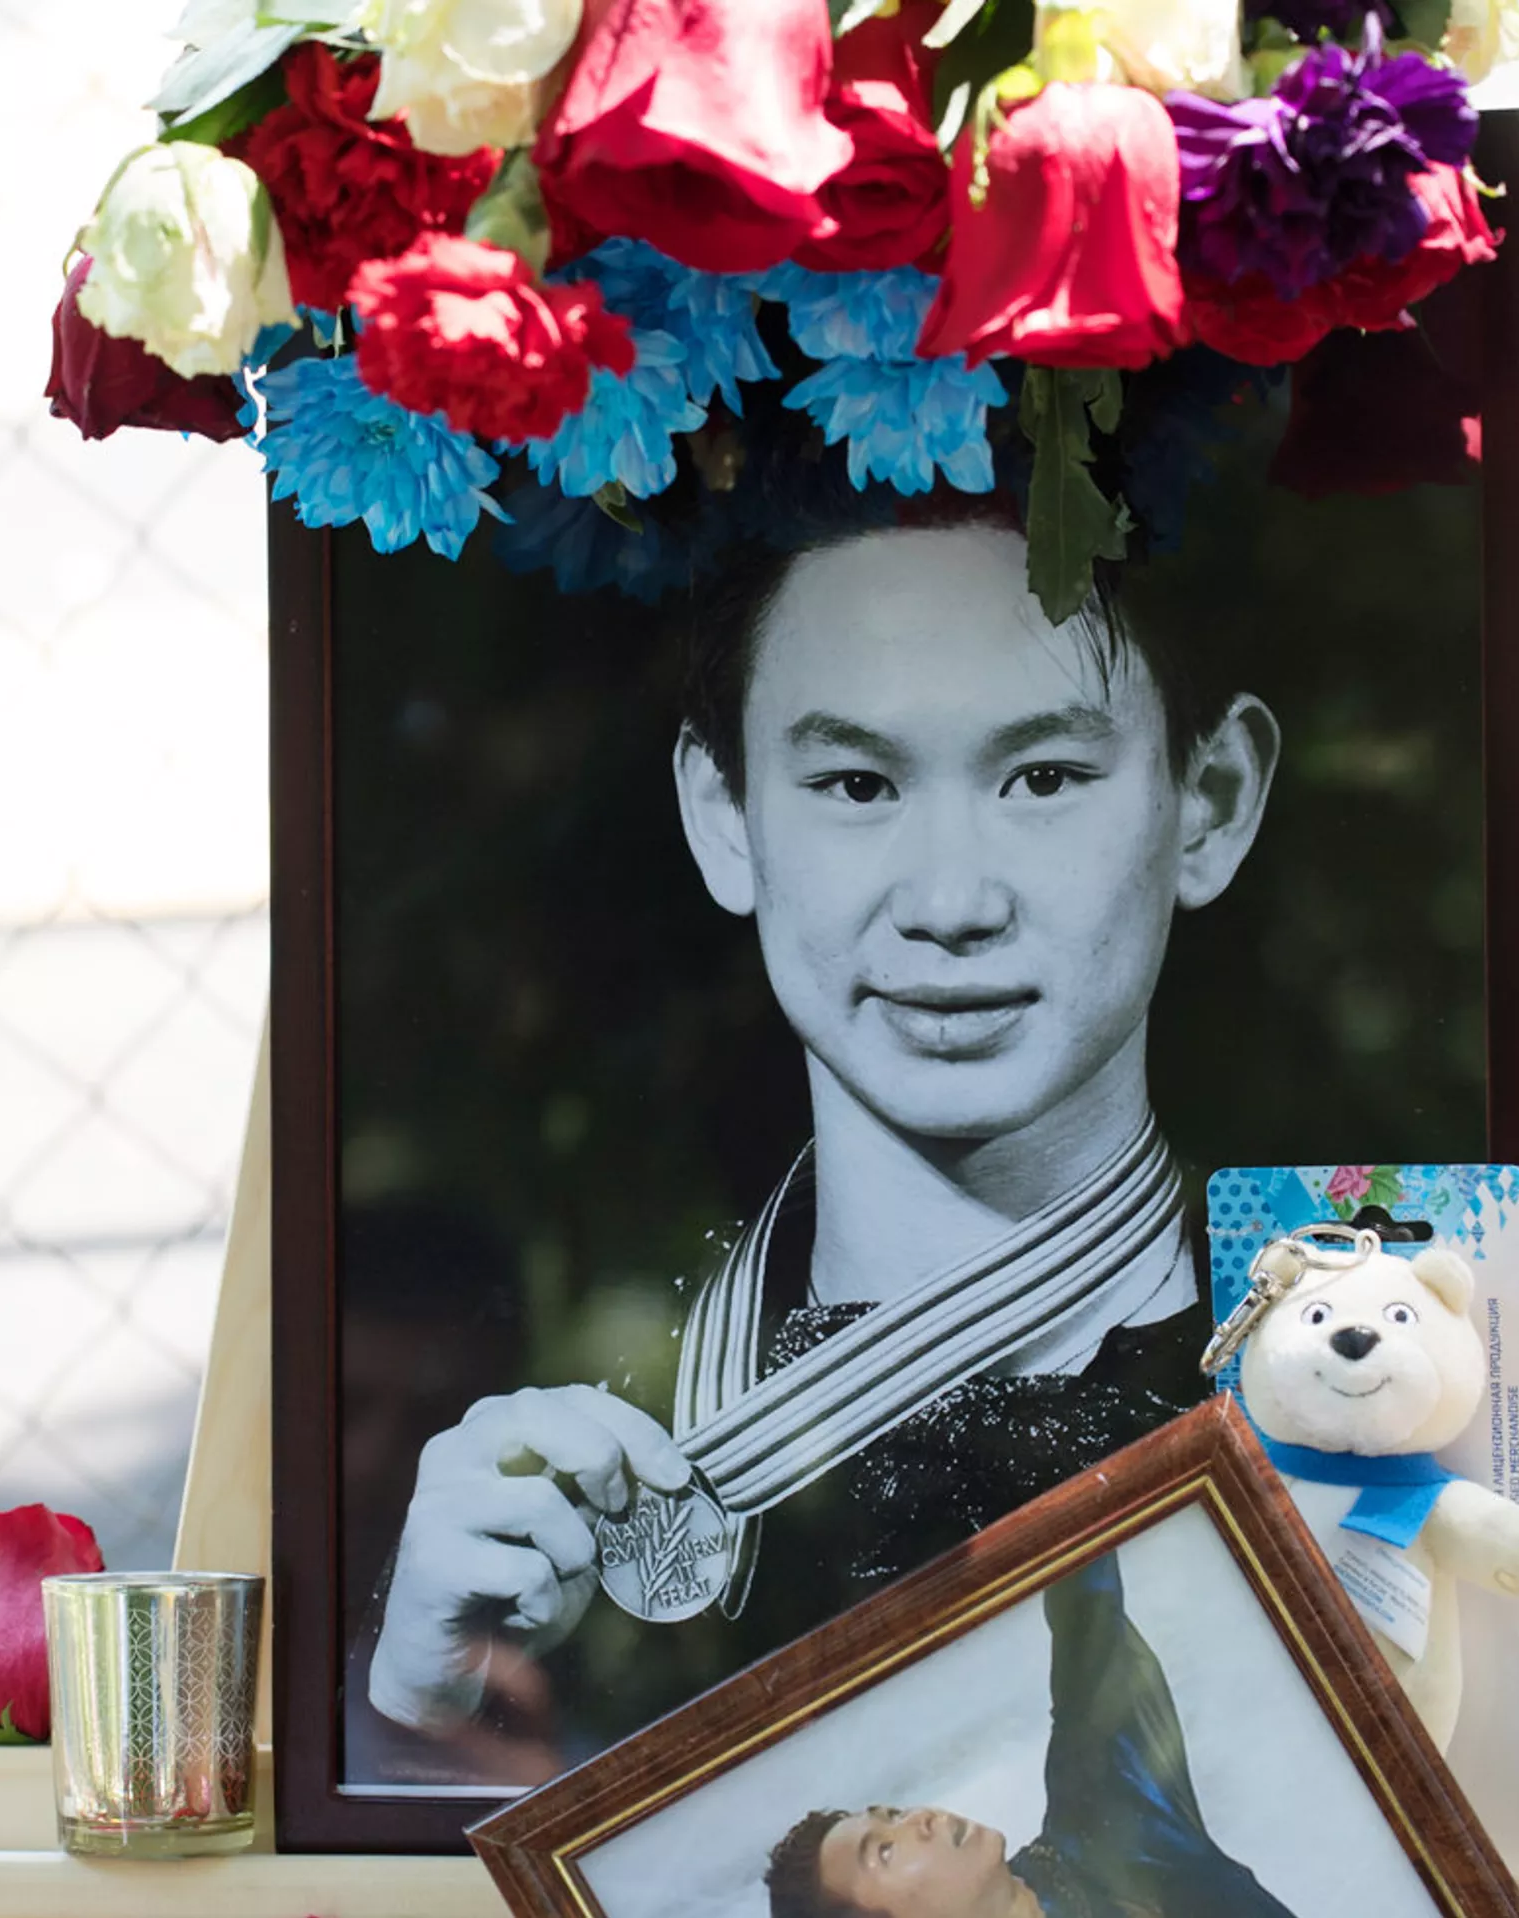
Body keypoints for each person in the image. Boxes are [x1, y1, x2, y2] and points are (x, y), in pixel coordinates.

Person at [363, 498, 1280, 1767]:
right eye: (857, 784)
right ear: (721, 815)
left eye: (1044, 779)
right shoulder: (584, 1453)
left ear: (1211, 801)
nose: (951, 902)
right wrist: (422, 1716)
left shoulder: (1341, 1354)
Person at [765, 1553, 1301, 1918]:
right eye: (883, 1851)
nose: (920, 1819)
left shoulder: (1104, 1813)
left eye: (894, 1813)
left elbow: (1085, 1608)